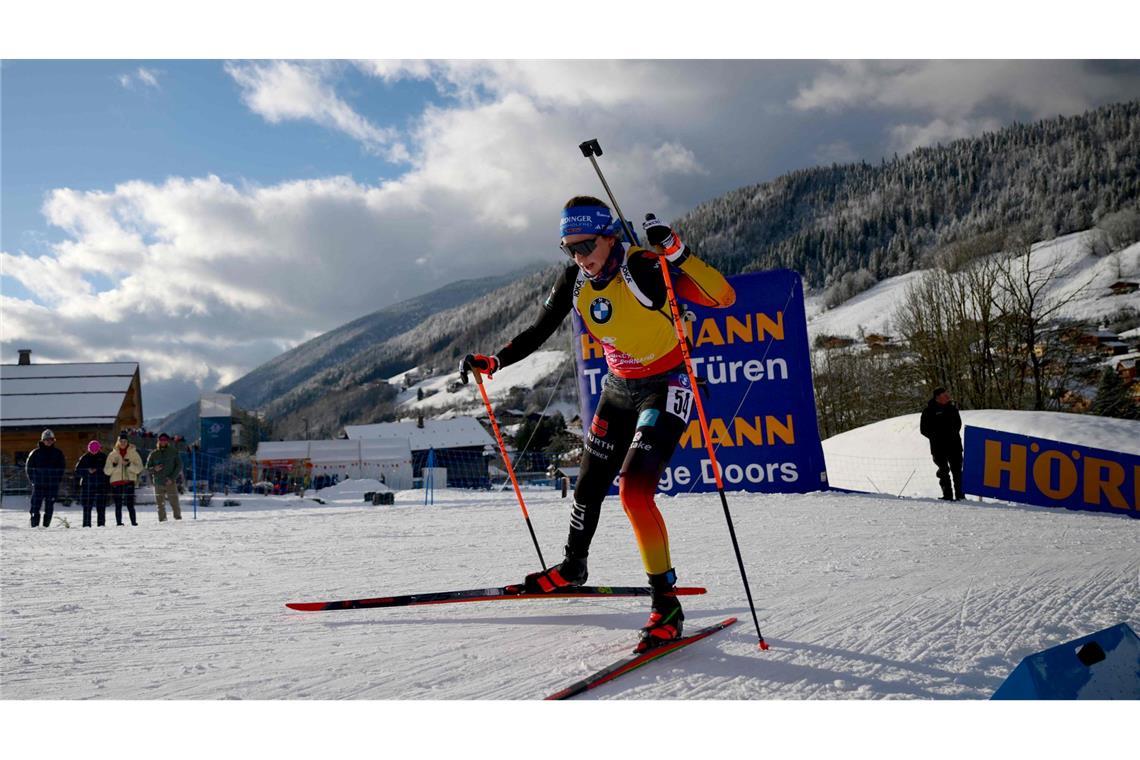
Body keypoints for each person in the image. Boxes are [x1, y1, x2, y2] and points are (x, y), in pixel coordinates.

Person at [462, 198, 735, 651]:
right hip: (618, 389)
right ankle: (573, 567)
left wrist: (676, 252)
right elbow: (538, 328)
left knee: (634, 491)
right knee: (588, 485)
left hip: (666, 383)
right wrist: (495, 361)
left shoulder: (643, 267)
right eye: (569, 248)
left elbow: (723, 296)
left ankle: (665, 605)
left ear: (610, 236)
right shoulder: (575, 278)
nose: (579, 256)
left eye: (586, 244)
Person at [920, 387, 965, 501]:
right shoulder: (928, 411)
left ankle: (960, 496)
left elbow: (958, 425)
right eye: (945, 395)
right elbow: (924, 429)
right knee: (943, 471)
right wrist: (937, 437)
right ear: (938, 397)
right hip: (938, 448)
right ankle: (947, 495)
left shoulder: (953, 408)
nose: (948, 396)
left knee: (957, 472)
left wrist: (951, 434)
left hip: (955, 446)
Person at [25, 428, 66, 528]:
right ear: (42, 440)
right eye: (47, 439)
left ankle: (46, 526)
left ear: (53, 440)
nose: (49, 441)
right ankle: (34, 526)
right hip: (38, 484)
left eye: (51, 439)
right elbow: (28, 468)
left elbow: (62, 468)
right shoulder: (35, 453)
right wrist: (33, 480)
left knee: (49, 506)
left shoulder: (58, 453)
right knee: (35, 506)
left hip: (52, 485)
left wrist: (57, 480)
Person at [105, 431, 143, 525]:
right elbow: (106, 471)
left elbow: (139, 469)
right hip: (116, 482)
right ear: (118, 442)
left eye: (125, 441)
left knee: (130, 504)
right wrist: (114, 466)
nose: (123, 443)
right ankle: (119, 523)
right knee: (118, 505)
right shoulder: (112, 455)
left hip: (129, 481)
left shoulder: (134, 453)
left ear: (128, 442)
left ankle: (133, 522)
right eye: (121, 441)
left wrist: (129, 465)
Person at [146, 432, 183, 522]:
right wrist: (154, 468)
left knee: (174, 502)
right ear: (158, 441)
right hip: (158, 482)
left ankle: (178, 519)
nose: (163, 441)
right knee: (160, 504)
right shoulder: (153, 454)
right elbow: (147, 468)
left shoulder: (173, 451)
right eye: (161, 440)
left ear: (167, 441)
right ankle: (162, 520)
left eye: (165, 440)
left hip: (170, 481)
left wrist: (172, 478)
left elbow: (179, 466)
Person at [75, 440, 110, 527]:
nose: (94, 451)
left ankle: (101, 525)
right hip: (87, 486)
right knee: (87, 507)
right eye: (92, 449)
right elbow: (77, 471)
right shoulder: (84, 457)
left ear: (99, 449)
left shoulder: (103, 457)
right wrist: (87, 471)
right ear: (89, 449)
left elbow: (108, 471)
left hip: (101, 485)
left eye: (95, 449)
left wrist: (98, 471)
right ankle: (86, 525)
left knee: (101, 507)